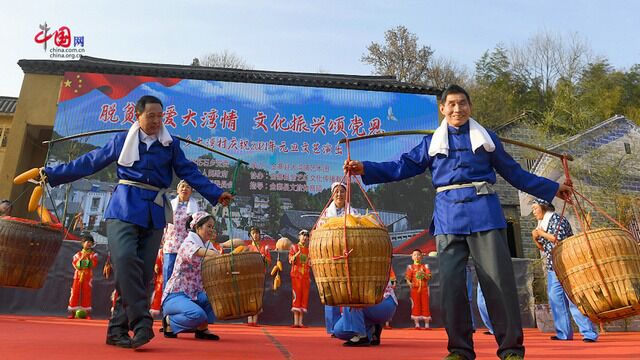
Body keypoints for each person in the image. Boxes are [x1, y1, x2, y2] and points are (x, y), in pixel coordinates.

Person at [344, 84, 572, 360]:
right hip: (448, 218)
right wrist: (366, 168)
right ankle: (460, 349)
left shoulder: (487, 140)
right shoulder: (431, 143)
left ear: (470, 107)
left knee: (498, 283)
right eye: (451, 104)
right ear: (442, 109)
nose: (457, 109)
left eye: (462, 103)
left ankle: (511, 348)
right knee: (452, 286)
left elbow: (514, 173)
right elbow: (401, 165)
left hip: (485, 215)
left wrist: (550, 188)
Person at [42, 95, 233, 349]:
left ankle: (117, 330)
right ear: (138, 116)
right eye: (151, 115)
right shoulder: (123, 140)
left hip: (154, 213)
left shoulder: (170, 145)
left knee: (140, 273)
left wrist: (216, 193)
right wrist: (53, 174)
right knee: (124, 260)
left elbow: (188, 171)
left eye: (160, 116)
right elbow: (91, 162)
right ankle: (142, 322)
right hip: (124, 207)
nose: (156, 121)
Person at [531, 198, 598, 343]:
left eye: (535, 208)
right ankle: (563, 333)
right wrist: (535, 238)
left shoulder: (556, 219)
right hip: (553, 267)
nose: (533, 212)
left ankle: (589, 333)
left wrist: (540, 234)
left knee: (574, 299)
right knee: (556, 300)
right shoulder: (542, 223)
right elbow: (544, 248)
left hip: (567, 266)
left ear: (543, 207)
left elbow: (558, 239)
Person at [161, 211, 221, 340]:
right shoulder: (188, 243)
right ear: (198, 227)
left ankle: (202, 329)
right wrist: (215, 255)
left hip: (195, 294)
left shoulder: (208, 245)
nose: (211, 230)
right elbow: (200, 252)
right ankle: (169, 322)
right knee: (197, 315)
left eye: (212, 227)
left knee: (216, 298)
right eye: (208, 226)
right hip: (176, 295)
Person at [320, 182, 359, 336]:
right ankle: (332, 328)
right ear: (332, 194)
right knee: (331, 290)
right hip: (331, 257)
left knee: (349, 291)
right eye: (336, 192)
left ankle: (347, 326)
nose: (339, 195)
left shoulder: (353, 212)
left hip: (348, 256)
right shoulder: (325, 214)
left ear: (346, 194)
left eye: (342, 192)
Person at [332, 268, 398, 347]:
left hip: (382, 302)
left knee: (351, 298)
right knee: (339, 331)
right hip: (377, 307)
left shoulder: (366, 261)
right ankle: (373, 329)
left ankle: (362, 336)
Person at [162, 180, 200, 286]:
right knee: (168, 274)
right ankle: (166, 299)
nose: (184, 189)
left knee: (186, 275)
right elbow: (163, 224)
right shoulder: (170, 205)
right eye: (182, 187)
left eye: (188, 187)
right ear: (178, 190)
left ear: (191, 191)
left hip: (187, 246)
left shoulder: (195, 208)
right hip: (171, 245)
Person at [67, 234, 98, 319]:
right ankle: (73, 313)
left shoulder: (93, 255)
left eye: (91, 242)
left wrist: (86, 260)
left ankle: (87, 314)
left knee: (86, 294)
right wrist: (83, 260)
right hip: (77, 277)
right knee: (74, 293)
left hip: (88, 277)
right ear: (83, 243)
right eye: (87, 242)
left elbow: (92, 264)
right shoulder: (77, 254)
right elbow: (76, 265)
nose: (89, 244)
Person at [246, 226, 272, 326]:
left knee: (258, 296)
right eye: (253, 233)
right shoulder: (248, 248)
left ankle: (255, 319)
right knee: (249, 296)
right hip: (249, 275)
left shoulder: (264, 248)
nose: (256, 235)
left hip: (260, 275)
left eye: (257, 233)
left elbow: (268, 263)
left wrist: (264, 258)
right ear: (250, 235)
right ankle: (249, 319)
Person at [289, 229, 311, 327]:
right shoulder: (294, 247)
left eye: (306, 235)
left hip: (305, 277)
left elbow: (309, 264)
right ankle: (295, 322)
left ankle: (300, 322)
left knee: (304, 297)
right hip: (296, 276)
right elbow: (291, 260)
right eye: (303, 235)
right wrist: (297, 254)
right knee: (296, 296)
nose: (304, 237)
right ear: (299, 236)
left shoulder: (308, 250)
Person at [405, 249, 432, 329]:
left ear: (421, 256)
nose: (417, 256)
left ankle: (427, 324)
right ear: (412, 257)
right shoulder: (410, 267)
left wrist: (423, 274)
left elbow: (429, 276)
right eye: (415, 255)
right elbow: (407, 278)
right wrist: (409, 283)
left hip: (424, 289)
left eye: (418, 255)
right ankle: (417, 324)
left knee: (425, 304)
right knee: (415, 305)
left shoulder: (425, 266)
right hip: (414, 289)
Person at [149, 249, 163, 318]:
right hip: (161, 278)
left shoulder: (161, 252)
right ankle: (155, 309)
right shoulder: (160, 252)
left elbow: (156, 268)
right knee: (158, 293)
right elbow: (157, 268)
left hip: (163, 278)